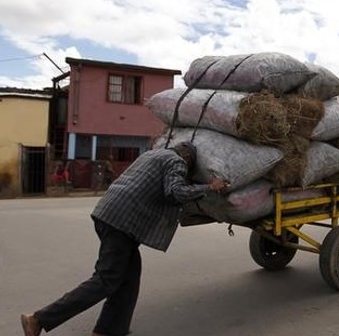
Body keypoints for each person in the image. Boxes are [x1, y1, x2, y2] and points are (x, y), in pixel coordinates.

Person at [20, 142, 227, 336]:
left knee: (129, 277)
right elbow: (176, 192)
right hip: (121, 223)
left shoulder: (151, 155)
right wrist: (209, 187)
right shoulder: (176, 161)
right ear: (188, 158)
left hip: (109, 214)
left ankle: (109, 329)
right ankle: (38, 319)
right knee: (106, 279)